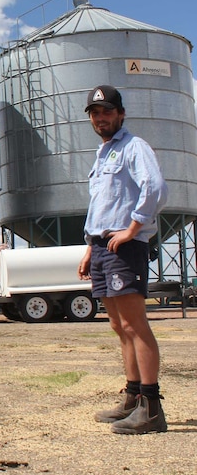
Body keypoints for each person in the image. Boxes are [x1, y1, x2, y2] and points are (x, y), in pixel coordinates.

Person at [77, 84, 169, 435]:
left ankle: (151, 407)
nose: (101, 118)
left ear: (121, 113)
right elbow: (101, 205)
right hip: (102, 247)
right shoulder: (103, 154)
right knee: (118, 326)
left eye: (107, 111)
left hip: (123, 246)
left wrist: (133, 229)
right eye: (95, 113)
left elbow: (155, 187)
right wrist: (89, 248)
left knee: (135, 325)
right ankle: (131, 399)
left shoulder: (134, 146)